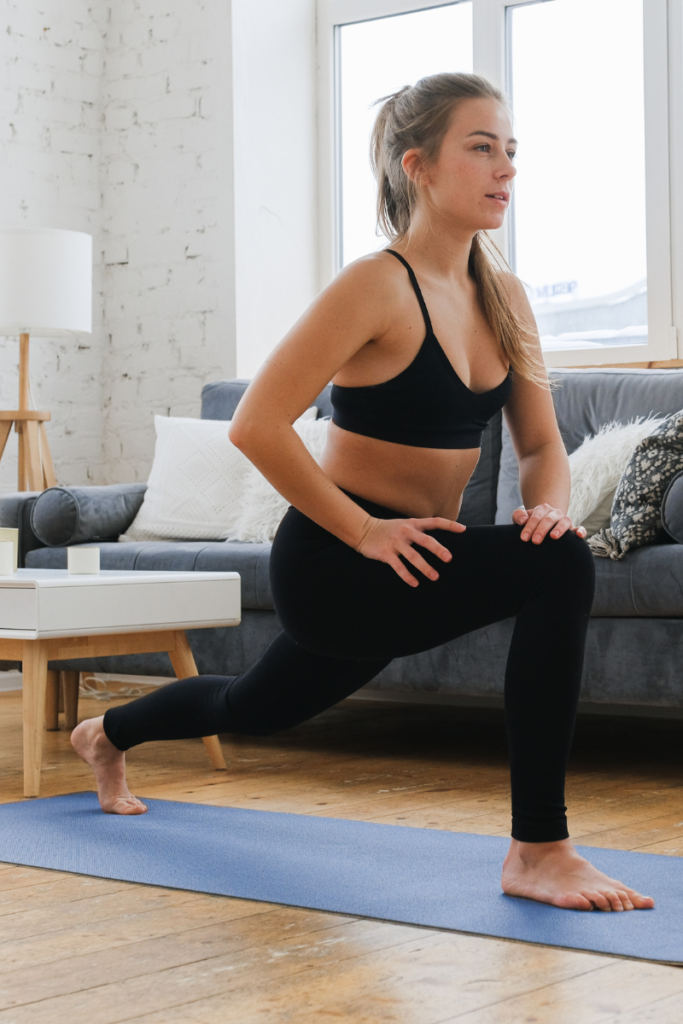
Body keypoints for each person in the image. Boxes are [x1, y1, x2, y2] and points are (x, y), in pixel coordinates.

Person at [73, 72, 653, 912]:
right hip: (338, 561)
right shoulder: (372, 285)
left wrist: (549, 504)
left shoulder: (505, 298)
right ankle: (537, 849)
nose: (505, 169)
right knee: (559, 567)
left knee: (256, 705)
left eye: (512, 151)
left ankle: (106, 732)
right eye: (481, 148)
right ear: (417, 165)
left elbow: (539, 444)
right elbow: (256, 424)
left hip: (414, 560)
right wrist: (363, 532)